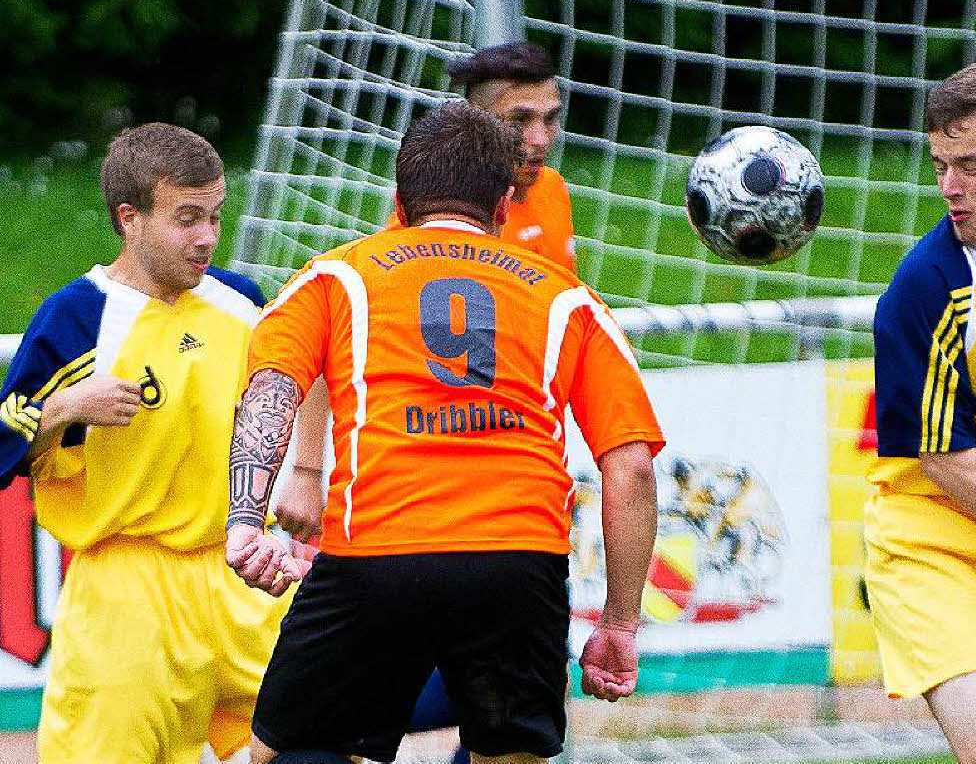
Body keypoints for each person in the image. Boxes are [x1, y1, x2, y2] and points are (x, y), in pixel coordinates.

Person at [225, 101, 664, 764]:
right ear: (503, 208)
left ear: (401, 199)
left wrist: (245, 521)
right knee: (511, 754)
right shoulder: (567, 298)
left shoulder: (338, 274)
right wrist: (621, 623)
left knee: (289, 750)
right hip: (518, 563)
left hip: (375, 554)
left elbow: (272, 390)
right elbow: (630, 466)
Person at [0, 122, 302, 763]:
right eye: (187, 217)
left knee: (317, 746)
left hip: (244, 572)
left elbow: (312, 377)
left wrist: (307, 476)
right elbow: (4, 440)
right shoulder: (79, 316)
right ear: (129, 218)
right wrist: (63, 407)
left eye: (215, 216)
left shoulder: (243, 301)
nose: (207, 237)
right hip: (128, 588)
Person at [866, 58, 976, 761]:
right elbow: (943, 454)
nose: (949, 188)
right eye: (939, 165)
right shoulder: (928, 283)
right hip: (940, 546)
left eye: (971, 165)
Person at [386, 41, 575, 274]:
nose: (540, 140)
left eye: (550, 118)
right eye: (519, 121)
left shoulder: (551, 186)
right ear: (474, 120)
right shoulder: (443, 215)